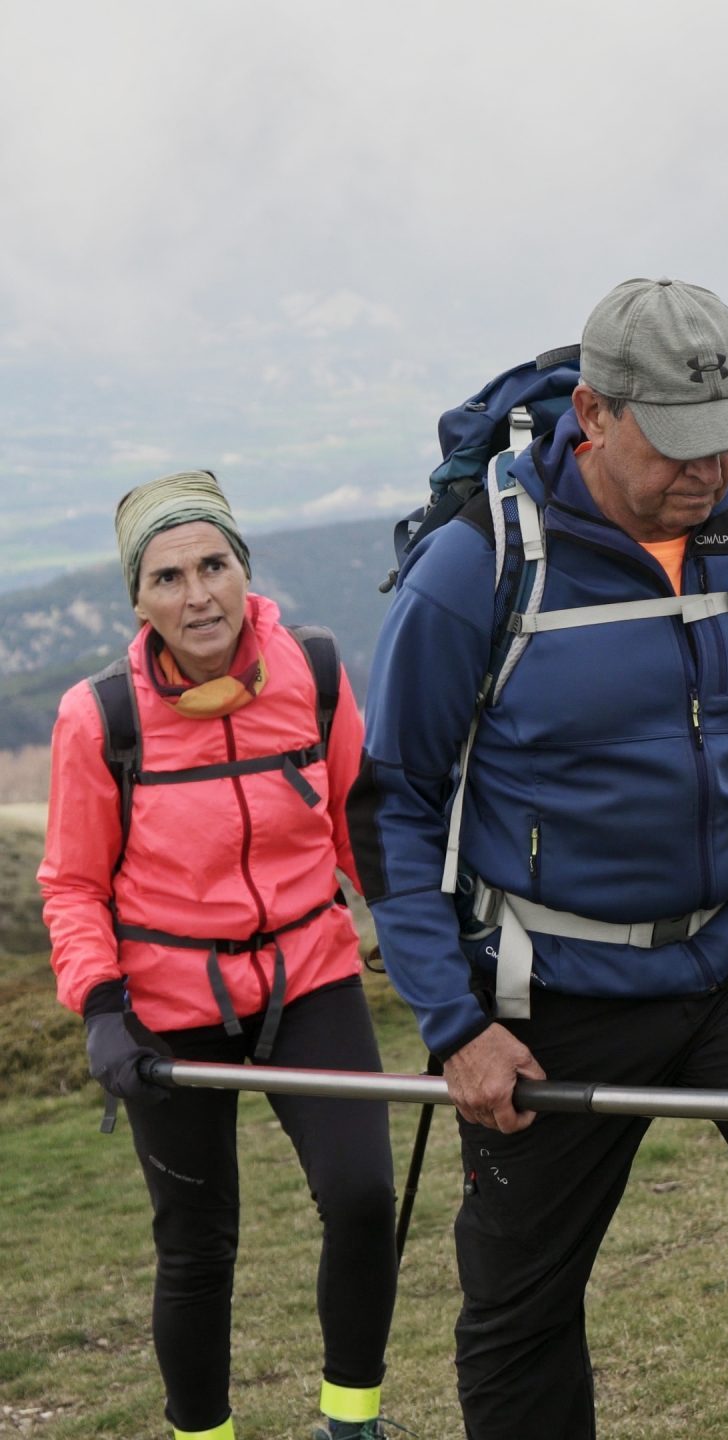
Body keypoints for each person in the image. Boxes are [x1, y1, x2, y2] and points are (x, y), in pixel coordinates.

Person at [359, 277, 728, 1439]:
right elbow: (394, 805)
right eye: (677, 443)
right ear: (594, 413)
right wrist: (455, 1027)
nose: (707, 472)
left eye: (727, 440)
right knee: (519, 1307)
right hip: (551, 987)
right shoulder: (476, 566)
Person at [40, 471, 399, 1440]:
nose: (197, 595)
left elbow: (360, 822)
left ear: (245, 569)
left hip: (308, 972)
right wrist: (102, 1005)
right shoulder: (99, 717)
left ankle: (351, 1423)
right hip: (167, 1002)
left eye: (214, 565)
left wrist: (408, 936)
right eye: (168, 577)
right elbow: (72, 884)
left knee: (364, 1198)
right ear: (139, 599)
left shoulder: (313, 671)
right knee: (197, 1244)